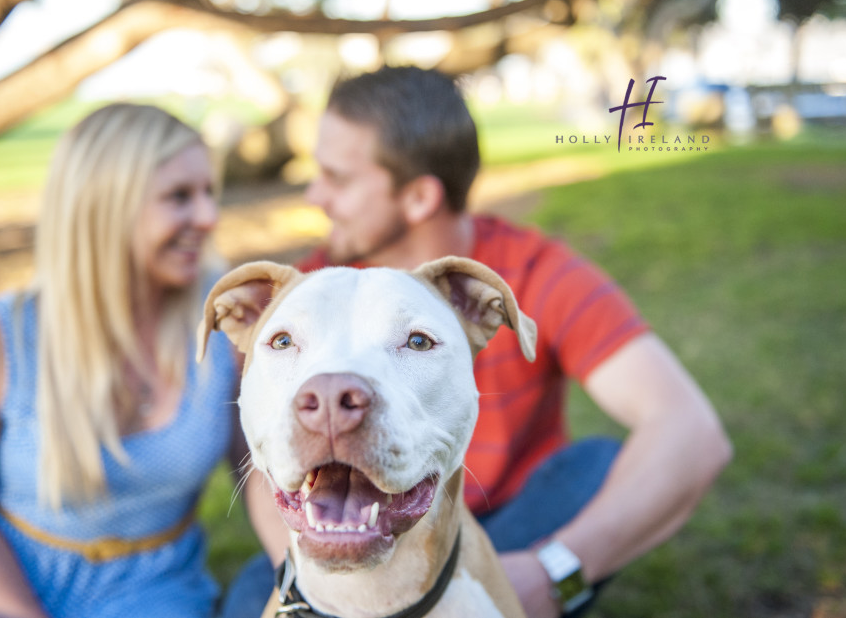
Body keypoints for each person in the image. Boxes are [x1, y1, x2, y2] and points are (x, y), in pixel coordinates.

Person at [223, 66, 732, 618]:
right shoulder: (311, 292)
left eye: (337, 178)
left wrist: (550, 572)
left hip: (513, 517)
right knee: (254, 594)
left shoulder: (532, 274)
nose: (315, 195)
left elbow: (691, 431)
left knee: (598, 467)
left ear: (418, 197)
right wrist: (318, 586)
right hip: (346, 501)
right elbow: (266, 449)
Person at [0, 103, 239, 617]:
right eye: (179, 197)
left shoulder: (226, 325)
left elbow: (265, 477)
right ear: (105, 208)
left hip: (153, 588)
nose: (209, 217)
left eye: (209, 192)